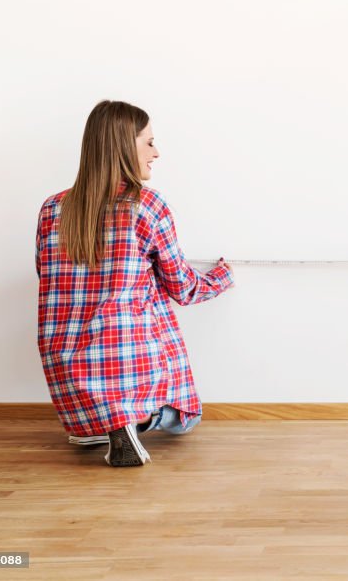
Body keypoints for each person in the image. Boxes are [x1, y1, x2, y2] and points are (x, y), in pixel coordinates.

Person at [35, 100, 235, 467]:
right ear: (124, 146)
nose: (156, 153)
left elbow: (45, 278)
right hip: (125, 359)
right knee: (185, 419)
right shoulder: (146, 205)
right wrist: (223, 276)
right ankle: (135, 420)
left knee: (136, 292)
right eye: (149, 142)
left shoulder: (51, 210)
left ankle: (99, 422)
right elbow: (184, 288)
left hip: (67, 367)